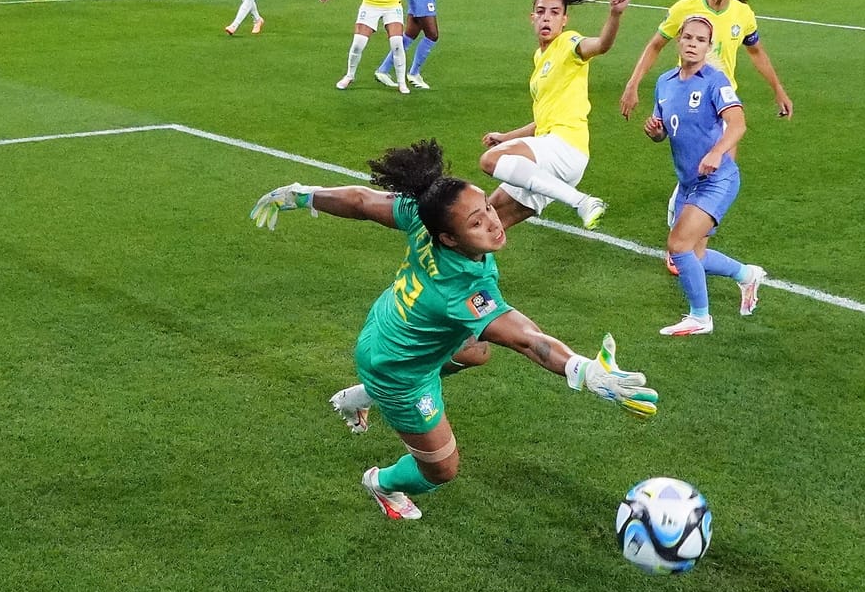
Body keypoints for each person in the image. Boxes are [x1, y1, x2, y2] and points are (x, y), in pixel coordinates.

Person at [248, 140, 658, 521]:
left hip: (389, 324)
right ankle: (380, 483)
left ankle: (359, 396)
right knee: (442, 469)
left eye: (488, 209)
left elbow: (359, 200)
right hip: (398, 372)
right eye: (477, 222)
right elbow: (528, 340)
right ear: (449, 237)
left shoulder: (423, 216)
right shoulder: (462, 290)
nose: (494, 224)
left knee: (475, 351)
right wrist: (586, 371)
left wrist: (301, 195)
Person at [619, 0, 793, 273]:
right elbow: (656, 44)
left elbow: (756, 51)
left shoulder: (743, 14)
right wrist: (633, 85)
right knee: (693, 176)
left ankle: (692, 248)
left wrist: (778, 90)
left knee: (716, 177)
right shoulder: (685, 9)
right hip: (687, 102)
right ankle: (681, 240)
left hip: (723, 105)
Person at [478, 0, 645, 232]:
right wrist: (505, 137)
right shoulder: (539, 57)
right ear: (532, 18)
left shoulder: (569, 44)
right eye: (541, 12)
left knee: (490, 161)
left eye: (555, 13)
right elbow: (543, 120)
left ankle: (582, 202)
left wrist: (615, 14)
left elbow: (601, 44)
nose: (547, 18)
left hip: (564, 148)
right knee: (489, 221)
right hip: (554, 155)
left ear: (565, 20)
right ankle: (475, 275)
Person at [643, 15, 769, 336]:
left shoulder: (715, 81)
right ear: (679, 41)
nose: (693, 44)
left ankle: (700, 317)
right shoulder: (665, 83)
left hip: (718, 180)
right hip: (689, 182)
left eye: (700, 40)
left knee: (679, 246)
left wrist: (717, 152)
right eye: (688, 38)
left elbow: (738, 124)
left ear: (708, 46)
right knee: (694, 255)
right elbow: (665, 131)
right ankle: (745, 274)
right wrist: (655, 131)